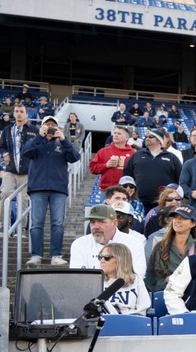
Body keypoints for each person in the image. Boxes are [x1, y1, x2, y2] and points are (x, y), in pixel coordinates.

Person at [22, 116, 81, 266]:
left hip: (58, 189)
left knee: (58, 223)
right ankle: (36, 255)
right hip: (38, 188)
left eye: (53, 125)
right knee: (36, 224)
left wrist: (64, 139)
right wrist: (38, 136)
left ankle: (56, 254)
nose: (50, 128)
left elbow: (75, 157)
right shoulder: (35, 143)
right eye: (47, 125)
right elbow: (25, 152)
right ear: (41, 127)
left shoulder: (62, 144)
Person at [145, 205, 196, 293]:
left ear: (193, 223)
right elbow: (153, 279)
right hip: (166, 293)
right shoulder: (161, 246)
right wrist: (170, 282)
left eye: (183, 218)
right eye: (175, 217)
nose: (177, 221)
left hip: (195, 294)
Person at [123, 128, 182, 209]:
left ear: (159, 140)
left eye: (151, 137)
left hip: (164, 202)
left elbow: (180, 178)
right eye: (146, 136)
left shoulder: (172, 157)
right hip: (140, 201)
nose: (147, 138)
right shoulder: (137, 155)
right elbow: (127, 175)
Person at [97, 243, 151, 316]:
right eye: (100, 257)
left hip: (130, 321)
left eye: (107, 257)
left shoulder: (136, 279)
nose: (102, 261)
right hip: (104, 321)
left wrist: (126, 320)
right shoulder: (97, 280)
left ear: (120, 260)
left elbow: (143, 307)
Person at [0, 103, 38, 205]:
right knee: (4, 193)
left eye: (21, 112)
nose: (19, 114)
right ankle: (2, 221)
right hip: (10, 170)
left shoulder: (34, 130)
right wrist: (5, 154)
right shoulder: (7, 130)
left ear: (26, 114)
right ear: (14, 113)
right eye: (17, 111)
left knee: (23, 200)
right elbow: (2, 146)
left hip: (27, 172)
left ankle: (22, 222)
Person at [89, 125, 135, 191]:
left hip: (125, 191)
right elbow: (92, 168)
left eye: (119, 134)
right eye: (115, 133)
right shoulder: (103, 151)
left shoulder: (133, 154)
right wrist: (106, 165)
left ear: (126, 137)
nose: (116, 135)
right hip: (106, 190)